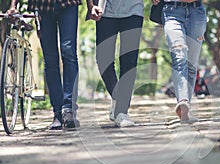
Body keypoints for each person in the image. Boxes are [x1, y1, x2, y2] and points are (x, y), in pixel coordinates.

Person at [8, 0, 81, 130]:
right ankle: (58, 113)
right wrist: (13, 6)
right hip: (43, 6)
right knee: (50, 58)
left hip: (68, 4)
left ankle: (68, 108)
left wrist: (91, 5)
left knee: (68, 53)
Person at [86, 0, 144, 127]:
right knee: (103, 60)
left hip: (134, 10)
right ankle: (118, 98)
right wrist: (90, 5)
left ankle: (122, 112)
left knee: (129, 62)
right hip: (105, 12)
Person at [152, 0, 207, 122]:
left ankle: (185, 110)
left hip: (197, 12)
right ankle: (183, 102)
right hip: (172, 12)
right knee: (179, 57)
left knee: (191, 65)